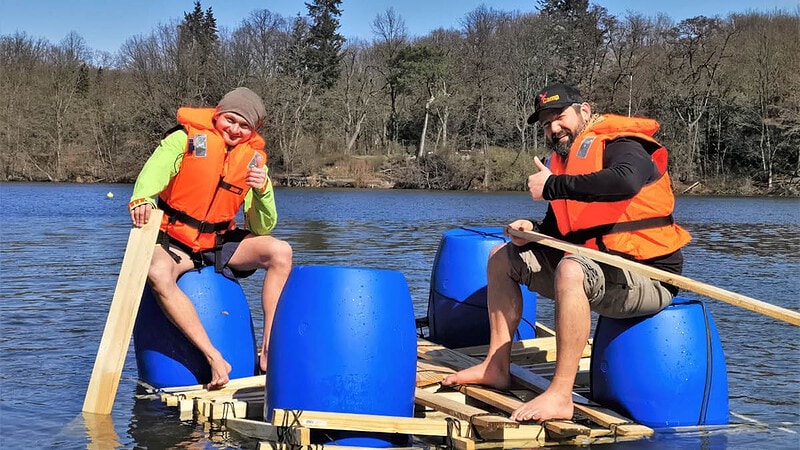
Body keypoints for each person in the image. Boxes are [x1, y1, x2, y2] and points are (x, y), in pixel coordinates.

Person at [442, 83, 692, 422]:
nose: (553, 128)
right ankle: (495, 366)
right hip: (596, 270)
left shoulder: (625, 145)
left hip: (648, 277)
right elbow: (558, 230)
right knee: (502, 257)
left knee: (572, 267)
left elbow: (626, 182)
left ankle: (560, 394)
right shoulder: (562, 164)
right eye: (546, 124)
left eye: (559, 117)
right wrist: (530, 233)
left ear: (584, 111)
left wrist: (551, 187)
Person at [129, 87, 292, 389]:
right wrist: (142, 200)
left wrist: (263, 190)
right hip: (174, 239)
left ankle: (270, 347)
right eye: (230, 120)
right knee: (156, 272)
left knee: (280, 252)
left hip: (218, 243)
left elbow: (262, 227)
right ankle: (214, 356)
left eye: (244, 126)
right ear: (218, 114)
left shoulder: (254, 162)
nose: (235, 130)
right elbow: (151, 176)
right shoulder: (183, 139)